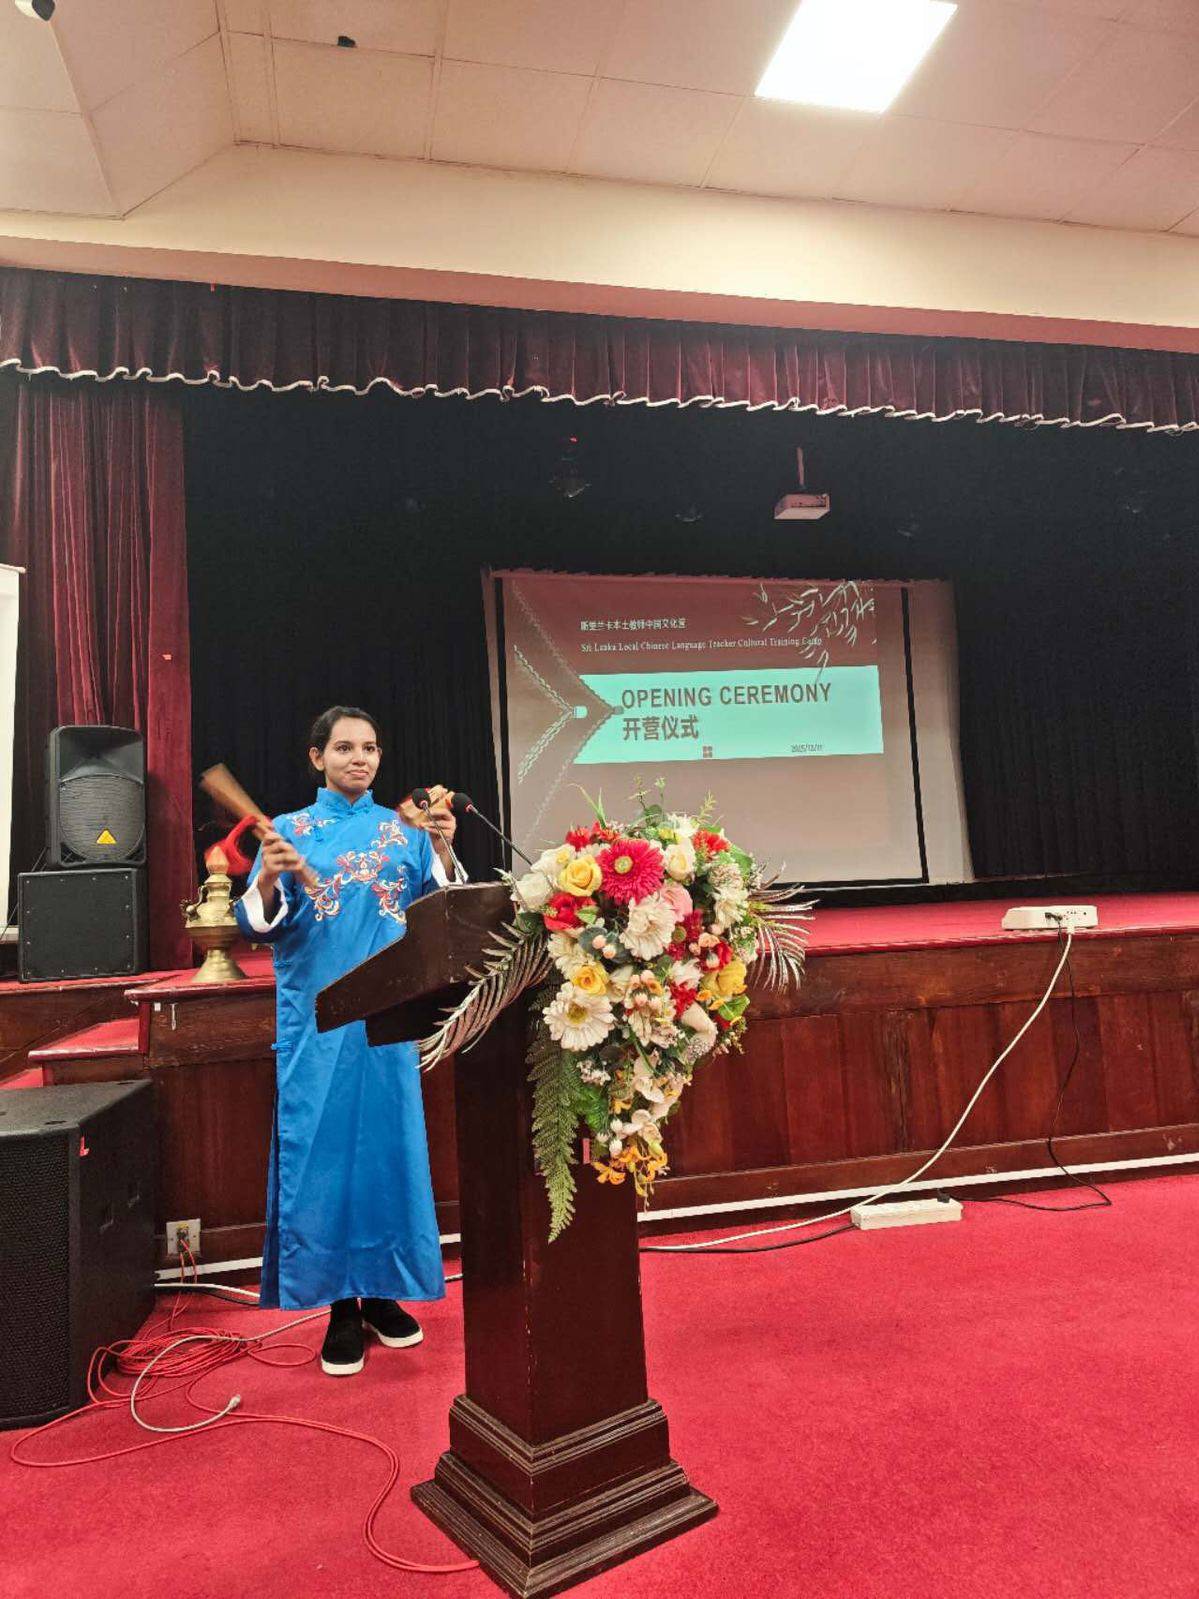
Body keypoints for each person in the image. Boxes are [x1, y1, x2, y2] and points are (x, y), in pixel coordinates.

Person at [235, 706, 459, 1376]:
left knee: (388, 1149)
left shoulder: (404, 829)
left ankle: (383, 1293)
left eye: (369, 748)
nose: (358, 758)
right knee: (325, 1154)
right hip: (320, 1021)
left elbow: (442, 907)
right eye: (343, 747)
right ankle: (339, 1306)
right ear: (317, 757)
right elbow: (256, 921)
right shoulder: (289, 830)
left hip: (389, 1018)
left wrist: (444, 848)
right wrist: (268, 876)